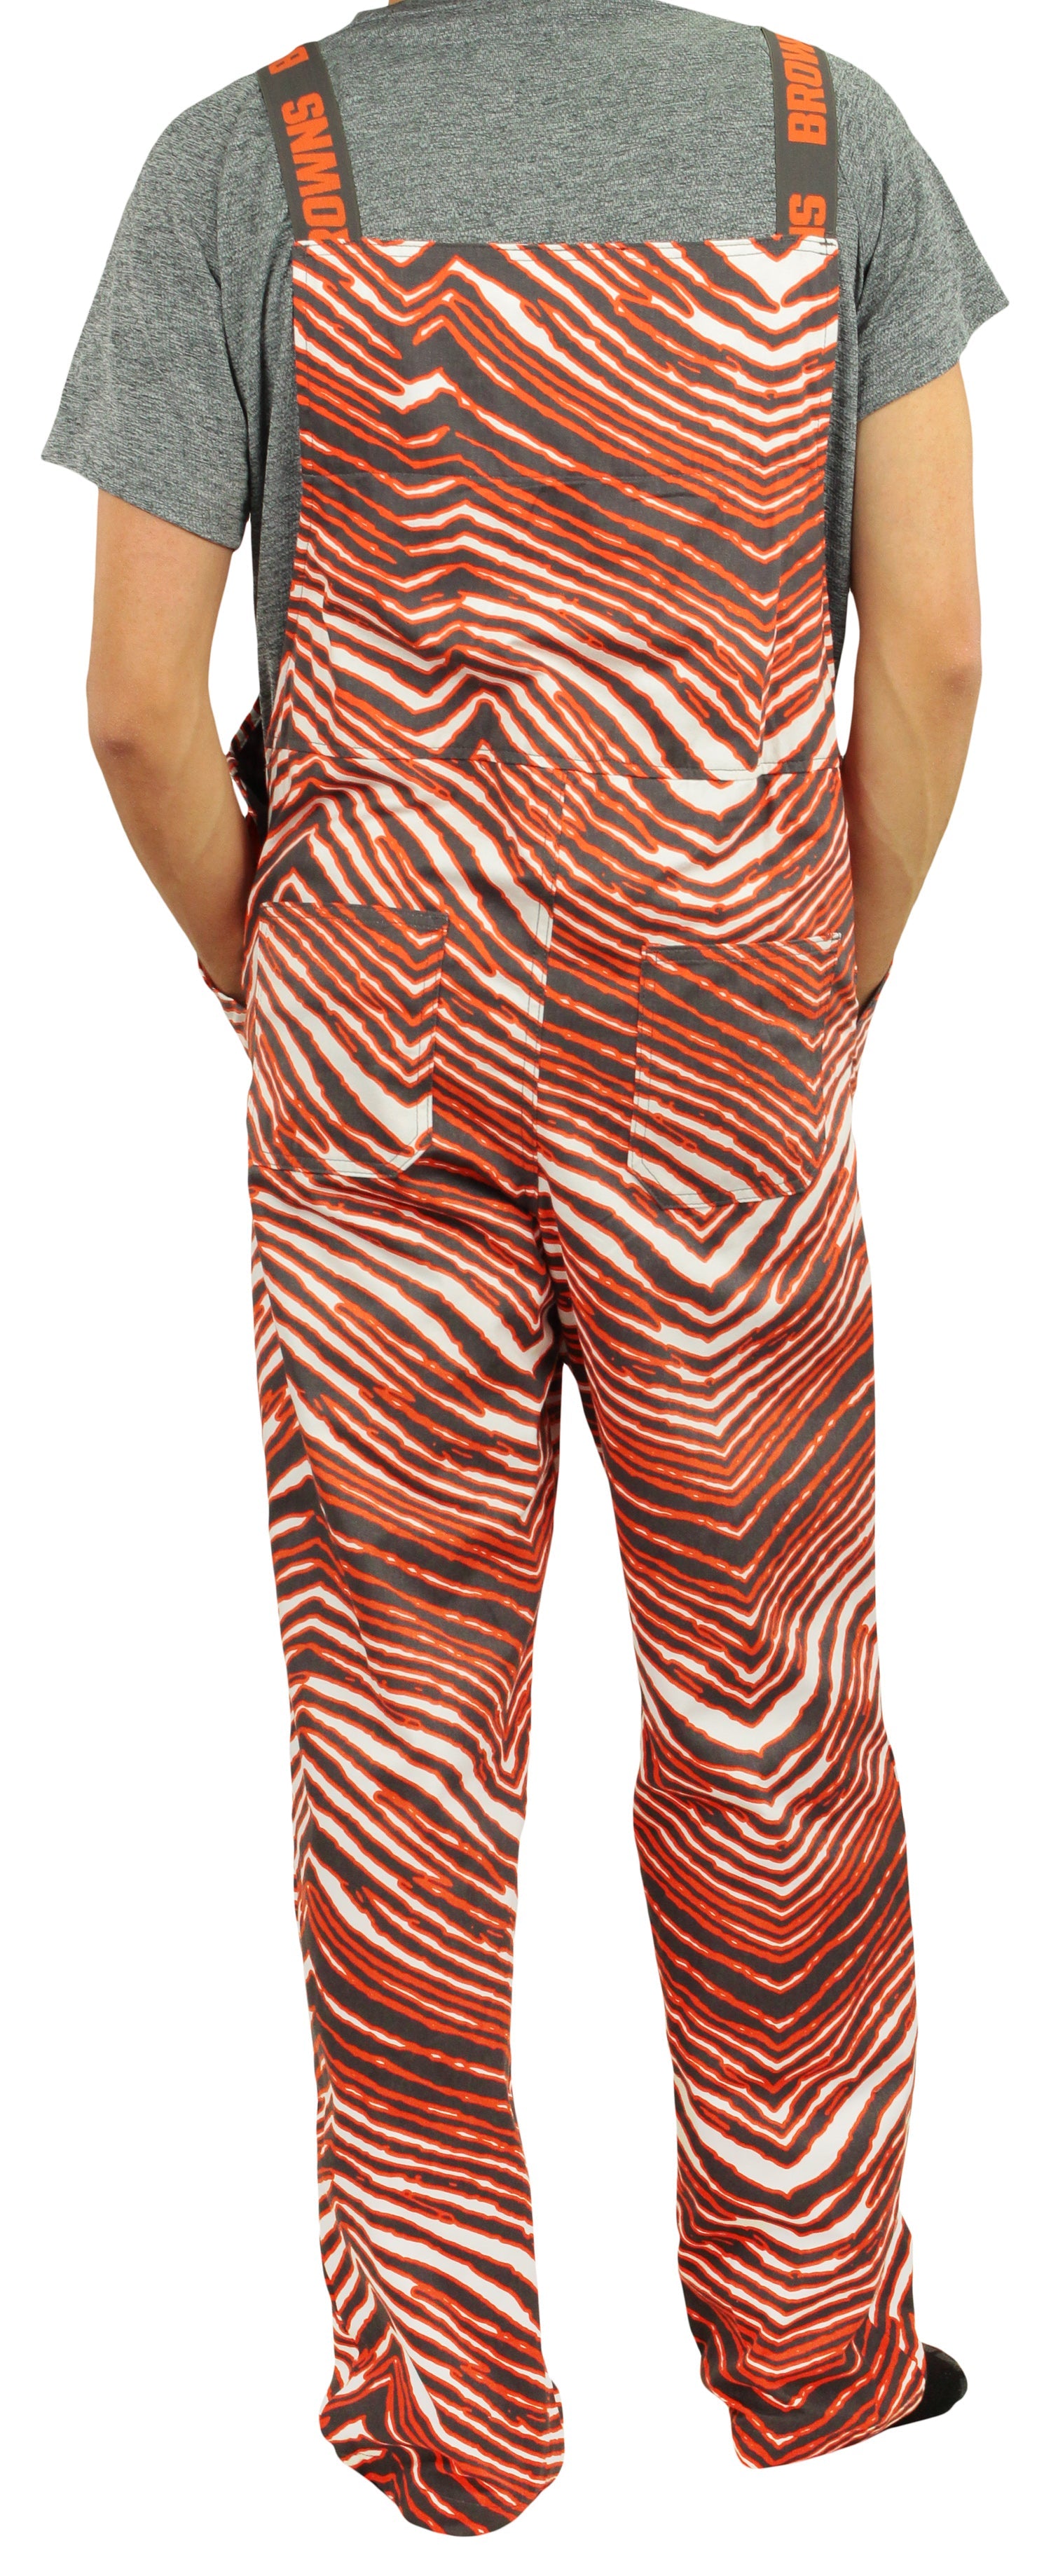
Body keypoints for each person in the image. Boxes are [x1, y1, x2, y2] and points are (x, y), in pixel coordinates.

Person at [45, 0, 1005, 2535]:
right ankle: (814, 2354)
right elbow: (931, 650)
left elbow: (137, 709)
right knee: (774, 1713)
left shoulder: (235, 163)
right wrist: (832, 977)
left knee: (400, 1749)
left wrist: (265, 967)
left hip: (377, 1080)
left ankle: (450, 2418)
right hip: (727, 1066)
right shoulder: (831, 137)